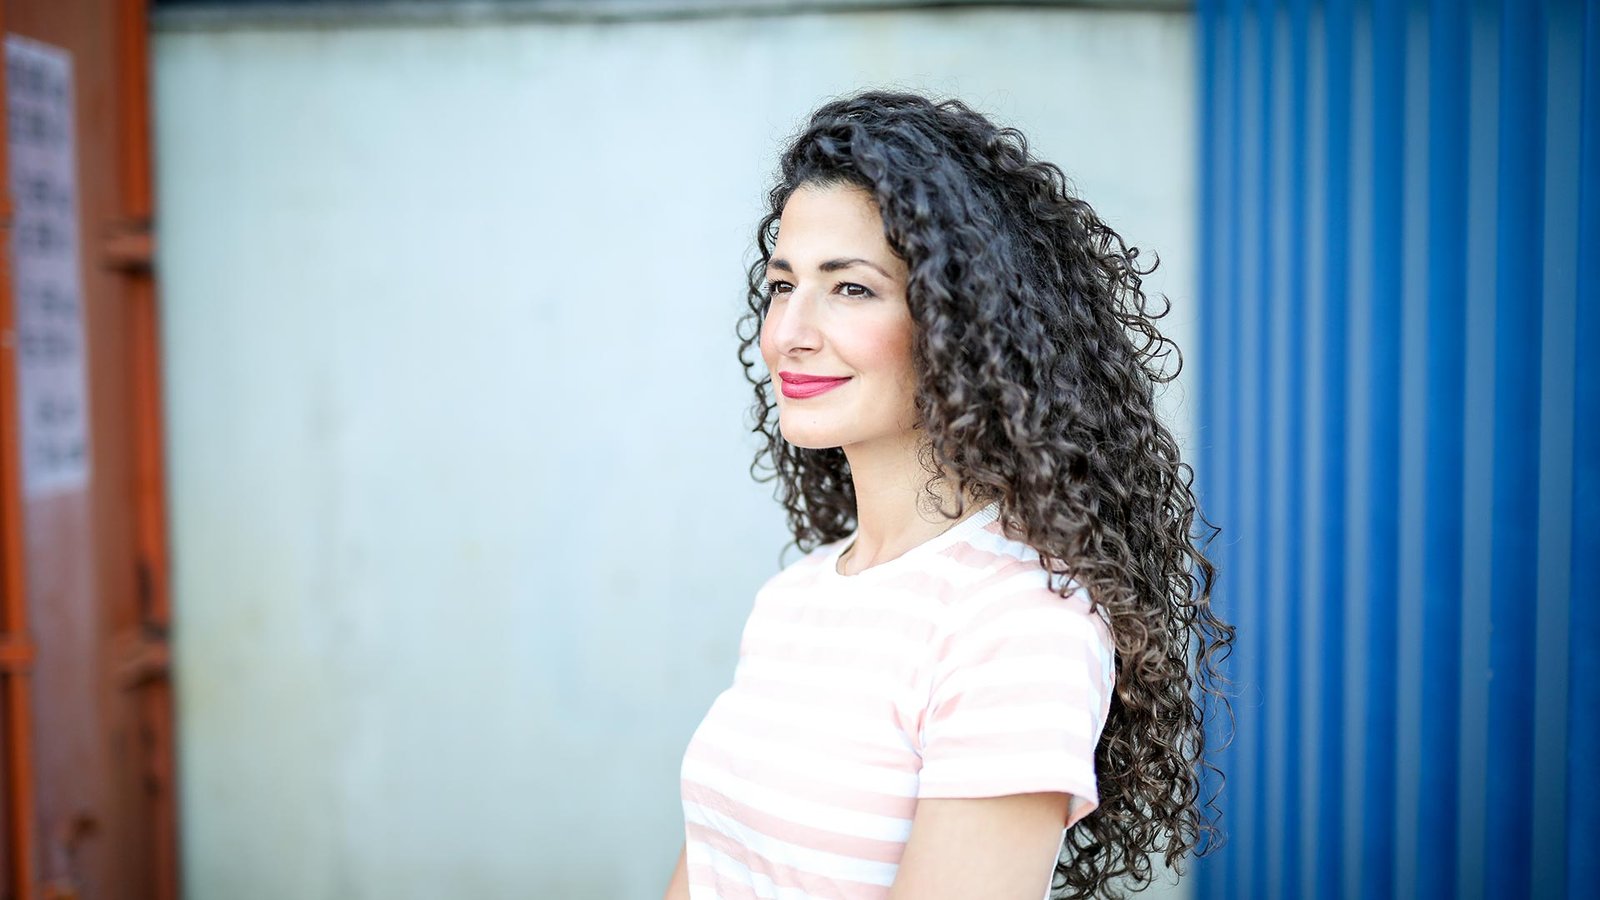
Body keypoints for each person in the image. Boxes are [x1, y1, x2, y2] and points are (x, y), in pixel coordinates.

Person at [664, 90, 1233, 900]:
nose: (788, 332)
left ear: (960, 320)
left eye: (851, 288)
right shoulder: (792, 599)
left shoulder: (1018, 622)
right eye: (783, 285)